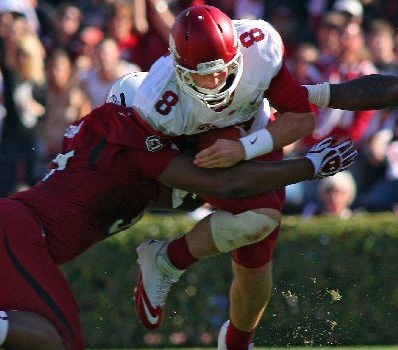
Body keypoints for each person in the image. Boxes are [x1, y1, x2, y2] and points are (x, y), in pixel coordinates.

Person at [0, 77, 356, 349]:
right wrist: (310, 164)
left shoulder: (123, 154)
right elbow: (223, 184)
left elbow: (201, 194)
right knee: (58, 340)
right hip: (11, 236)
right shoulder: (136, 146)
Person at [130, 5, 316, 349]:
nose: (217, 80)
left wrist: (244, 149)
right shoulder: (158, 99)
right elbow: (145, 167)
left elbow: (302, 119)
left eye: (223, 69)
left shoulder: (258, 46)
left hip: (256, 139)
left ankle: (235, 341)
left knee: (257, 262)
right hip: (196, 150)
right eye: (204, 73)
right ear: (180, 68)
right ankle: (170, 260)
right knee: (261, 220)